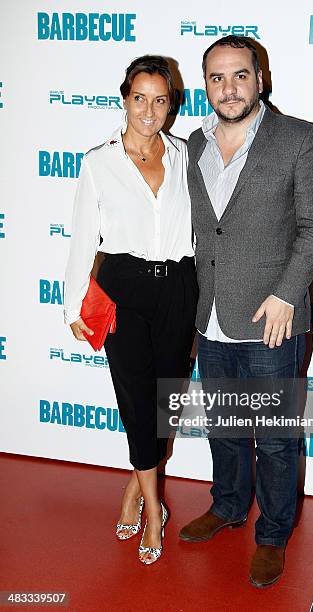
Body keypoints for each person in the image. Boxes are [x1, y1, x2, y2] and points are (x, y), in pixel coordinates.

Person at [179, 36, 313, 587]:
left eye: (240, 76)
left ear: (259, 79)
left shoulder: (300, 140)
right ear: (206, 87)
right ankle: (227, 506)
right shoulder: (192, 145)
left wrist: (290, 293)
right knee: (223, 426)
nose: (229, 88)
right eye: (217, 79)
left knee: (273, 435)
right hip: (212, 313)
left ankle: (272, 533)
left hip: (273, 318)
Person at [64, 55, 198, 565]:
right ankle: (153, 507)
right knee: (134, 398)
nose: (148, 109)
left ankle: (132, 486)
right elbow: (82, 239)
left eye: (159, 100)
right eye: (139, 98)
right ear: (124, 99)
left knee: (164, 403)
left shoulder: (186, 155)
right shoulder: (99, 161)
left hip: (179, 287)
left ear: (171, 105)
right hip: (123, 288)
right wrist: (73, 303)